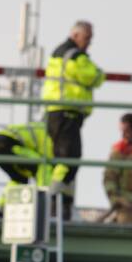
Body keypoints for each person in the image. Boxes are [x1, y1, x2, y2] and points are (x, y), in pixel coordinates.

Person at [42, 21, 105, 212]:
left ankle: (63, 203)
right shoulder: (75, 56)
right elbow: (94, 76)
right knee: (69, 159)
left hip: (57, 112)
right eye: (87, 38)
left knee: (65, 159)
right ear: (76, 35)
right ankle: (51, 198)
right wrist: (99, 73)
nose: (89, 43)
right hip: (66, 113)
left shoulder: (58, 53)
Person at [0, 122, 62, 216]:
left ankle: (0, 209)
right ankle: (42, 202)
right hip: (8, 143)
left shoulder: (46, 129)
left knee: (19, 178)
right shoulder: (52, 139)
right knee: (42, 165)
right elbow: (45, 164)